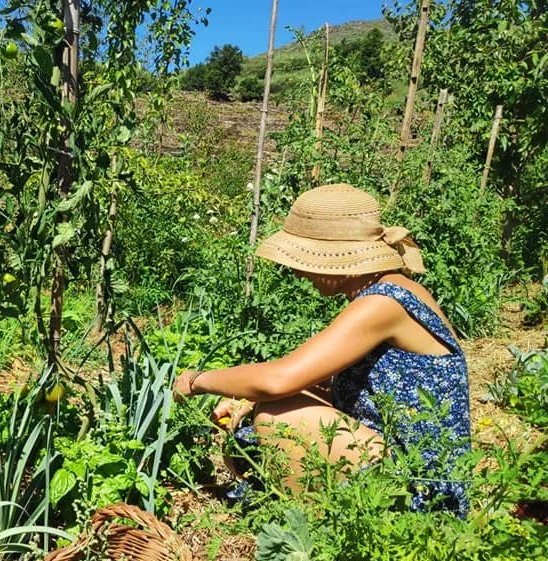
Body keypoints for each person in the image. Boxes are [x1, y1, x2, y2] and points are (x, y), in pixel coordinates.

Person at [173, 183, 470, 516]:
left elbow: (278, 379)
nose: (298, 270)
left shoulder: (384, 303)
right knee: (247, 435)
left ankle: (314, 531)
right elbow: (344, 385)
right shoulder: (391, 290)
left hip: (419, 488)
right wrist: (251, 398)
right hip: (399, 458)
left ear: (340, 254)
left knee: (275, 417)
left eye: (305, 257)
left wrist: (196, 381)